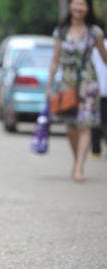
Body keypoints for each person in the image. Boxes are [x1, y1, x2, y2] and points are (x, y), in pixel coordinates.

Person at [46, 0, 107, 182]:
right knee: (71, 127)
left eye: (83, 4)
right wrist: (49, 86)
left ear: (88, 8)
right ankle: (76, 160)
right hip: (67, 83)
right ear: (70, 7)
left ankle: (79, 167)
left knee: (85, 125)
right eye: (76, 4)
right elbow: (55, 60)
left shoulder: (94, 32)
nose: (79, 8)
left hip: (88, 83)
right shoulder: (61, 32)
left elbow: (105, 58)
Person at [91, 22, 107, 158]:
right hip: (98, 89)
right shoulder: (94, 47)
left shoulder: (93, 48)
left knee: (96, 120)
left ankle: (95, 150)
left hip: (95, 89)